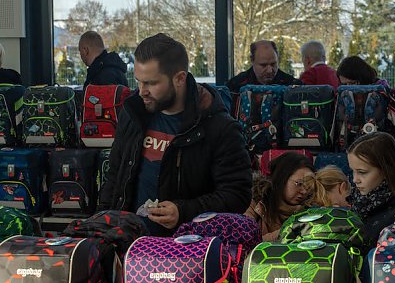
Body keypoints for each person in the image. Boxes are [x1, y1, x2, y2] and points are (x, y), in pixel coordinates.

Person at [98, 33, 251, 235]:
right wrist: (102, 228)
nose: (141, 91)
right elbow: (115, 175)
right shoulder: (133, 112)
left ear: (179, 78)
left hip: (187, 251)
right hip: (130, 245)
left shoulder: (219, 127)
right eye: (138, 81)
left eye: (151, 83)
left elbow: (237, 195)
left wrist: (183, 211)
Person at [347, 132, 395, 243]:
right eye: (353, 171)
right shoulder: (359, 199)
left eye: (362, 172)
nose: (355, 179)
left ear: (386, 171)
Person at [245, 152, 314, 241]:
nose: (304, 191)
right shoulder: (255, 202)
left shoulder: (312, 211)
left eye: (308, 186)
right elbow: (246, 242)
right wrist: (289, 230)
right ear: (282, 179)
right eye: (299, 184)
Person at [226, 40, 302, 92]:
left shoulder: (292, 85)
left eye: (273, 64)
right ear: (252, 60)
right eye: (263, 65)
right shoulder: (235, 86)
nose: (269, 70)